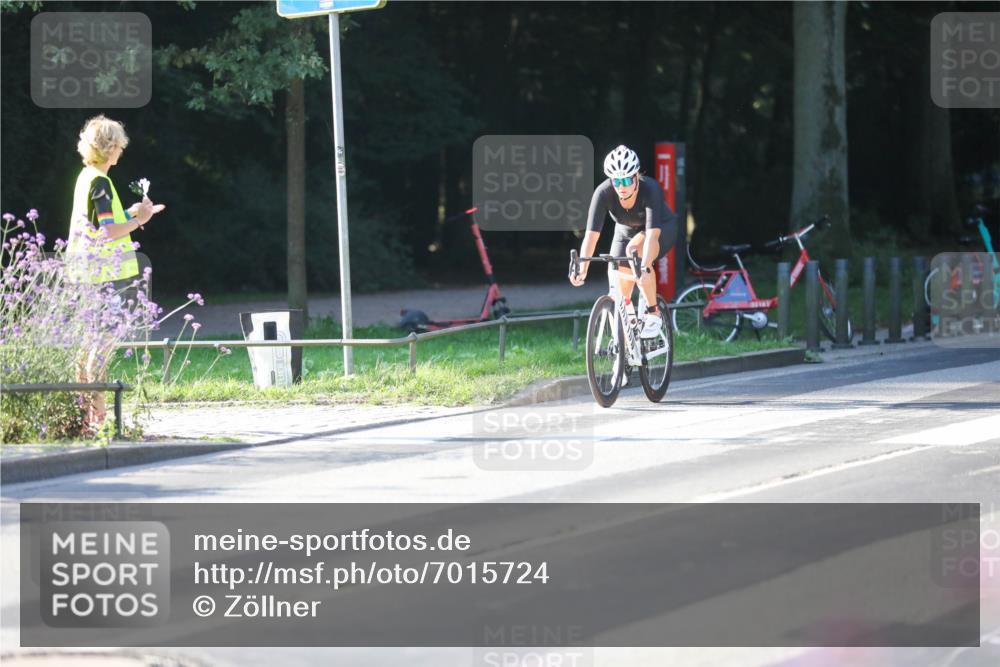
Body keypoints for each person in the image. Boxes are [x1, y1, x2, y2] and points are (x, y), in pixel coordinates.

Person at [67, 115, 166, 429]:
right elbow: (109, 232)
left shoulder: (87, 177)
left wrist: (132, 212)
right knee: (103, 345)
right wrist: (140, 221)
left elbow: (102, 221)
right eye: (120, 146)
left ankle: (84, 416)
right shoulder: (101, 182)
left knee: (87, 345)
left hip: (85, 273)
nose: (121, 151)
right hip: (102, 277)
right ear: (110, 148)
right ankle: (98, 417)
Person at [569, 145, 678, 337]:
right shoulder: (603, 193)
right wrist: (582, 267)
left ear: (636, 176)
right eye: (616, 181)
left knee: (634, 251)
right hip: (625, 230)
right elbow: (591, 236)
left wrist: (644, 267)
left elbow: (652, 236)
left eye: (627, 180)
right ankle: (628, 342)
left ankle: (654, 313)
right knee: (621, 285)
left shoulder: (650, 189)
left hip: (659, 228)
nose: (622, 187)